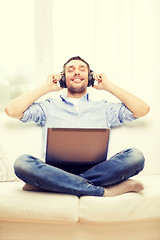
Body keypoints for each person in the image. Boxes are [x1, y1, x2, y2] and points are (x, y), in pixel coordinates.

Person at [5, 56, 150, 197]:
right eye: (70, 69)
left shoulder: (104, 108)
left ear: (90, 77)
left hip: (98, 170)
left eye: (82, 69)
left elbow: (142, 109)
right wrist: (45, 88)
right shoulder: (48, 107)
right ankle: (103, 191)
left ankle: (52, 185)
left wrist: (109, 86)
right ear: (63, 78)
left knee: (135, 156)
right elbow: (12, 111)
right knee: (22, 163)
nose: (76, 72)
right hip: (55, 170)